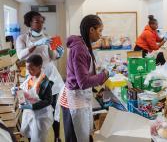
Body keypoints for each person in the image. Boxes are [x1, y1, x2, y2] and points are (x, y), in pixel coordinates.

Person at [60, 14, 111, 142]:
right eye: (100, 31)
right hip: (74, 100)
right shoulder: (79, 49)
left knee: (84, 134)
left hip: (79, 97)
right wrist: (104, 75)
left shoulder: (83, 44)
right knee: (76, 137)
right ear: (91, 30)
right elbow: (83, 82)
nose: (101, 35)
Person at [16, 11, 64, 142]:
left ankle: (57, 137)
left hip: (51, 77)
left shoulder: (48, 37)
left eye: (42, 21)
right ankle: (33, 137)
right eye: (37, 21)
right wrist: (35, 44)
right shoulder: (22, 38)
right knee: (33, 110)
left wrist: (59, 53)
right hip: (33, 78)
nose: (40, 24)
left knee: (54, 110)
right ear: (29, 22)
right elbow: (20, 55)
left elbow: (53, 57)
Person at [15, 54, 54, 142]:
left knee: (38, 138)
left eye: (32, 69)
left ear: (39, 67)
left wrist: (32, 106)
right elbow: (25, 92)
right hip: (29, 114)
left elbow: (48, 100)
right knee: (29, 134)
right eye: (27, 68)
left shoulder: (45, 82)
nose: (29, 71)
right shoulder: (30, 77)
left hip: (40, 116)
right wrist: (17, 91)